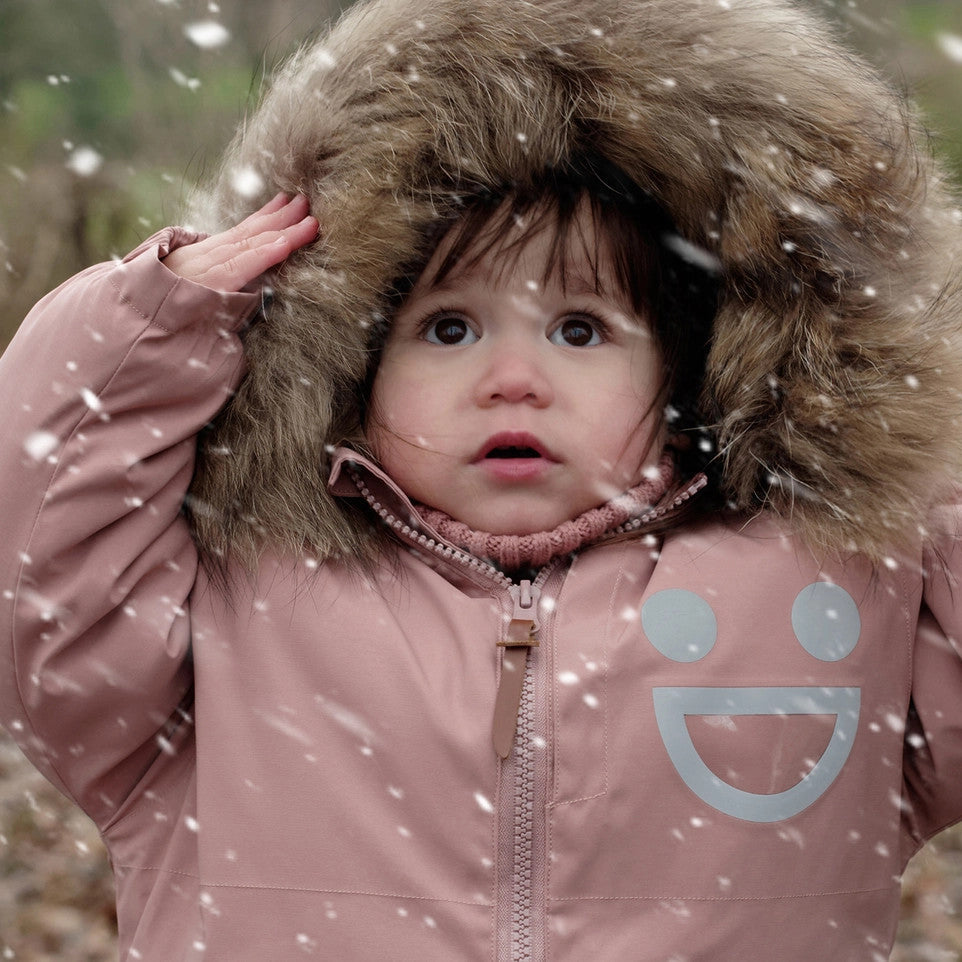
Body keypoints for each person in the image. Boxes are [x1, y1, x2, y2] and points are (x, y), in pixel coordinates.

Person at [2, 0, 962, 958]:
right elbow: (35, 567)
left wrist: (898, 381)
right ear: (345, 368)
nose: (513, 379)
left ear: (690, 372)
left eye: (580, 330)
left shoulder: (830, 577)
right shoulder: (233, 615)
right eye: (448, 328)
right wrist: (144, 331)